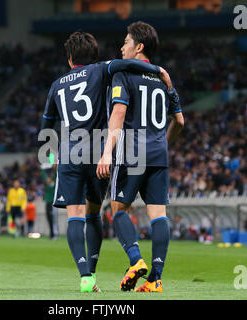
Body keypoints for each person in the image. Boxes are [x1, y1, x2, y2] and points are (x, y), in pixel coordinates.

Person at [40, 30, 170, 293]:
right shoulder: (101, 69)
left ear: (69, 58)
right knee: (95, 212)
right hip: (99, 153)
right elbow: (129, 64)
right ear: (94, 55)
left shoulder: (57, 85)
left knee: (74, 216)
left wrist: (50, 157)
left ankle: (87, 277)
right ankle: (122, 263)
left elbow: (46, 127)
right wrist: (159, 70)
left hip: (70, 154)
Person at [97, 21, 184, 293]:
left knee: (117, 209)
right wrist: (162, 145)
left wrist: (106, 153)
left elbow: (118, 115)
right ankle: (155, 279)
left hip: (133, 151)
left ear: (139, 47)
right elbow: (180, 121)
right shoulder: (163, 80)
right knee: (159, 215)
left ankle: (136, 261)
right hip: (159, 154)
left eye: (126, 42)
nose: (122, 47)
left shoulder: (123, 75)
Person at [42, 169, 57, 239]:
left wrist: (55, 167)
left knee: (53, 218)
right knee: (49, 218)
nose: (47, 180)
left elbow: (55, 175)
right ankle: (52, 233)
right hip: (48, 203)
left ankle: (54, 233)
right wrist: (42, 168)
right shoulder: (47, 186)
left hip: (53, 203)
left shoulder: (54, 185)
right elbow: (43, 175)